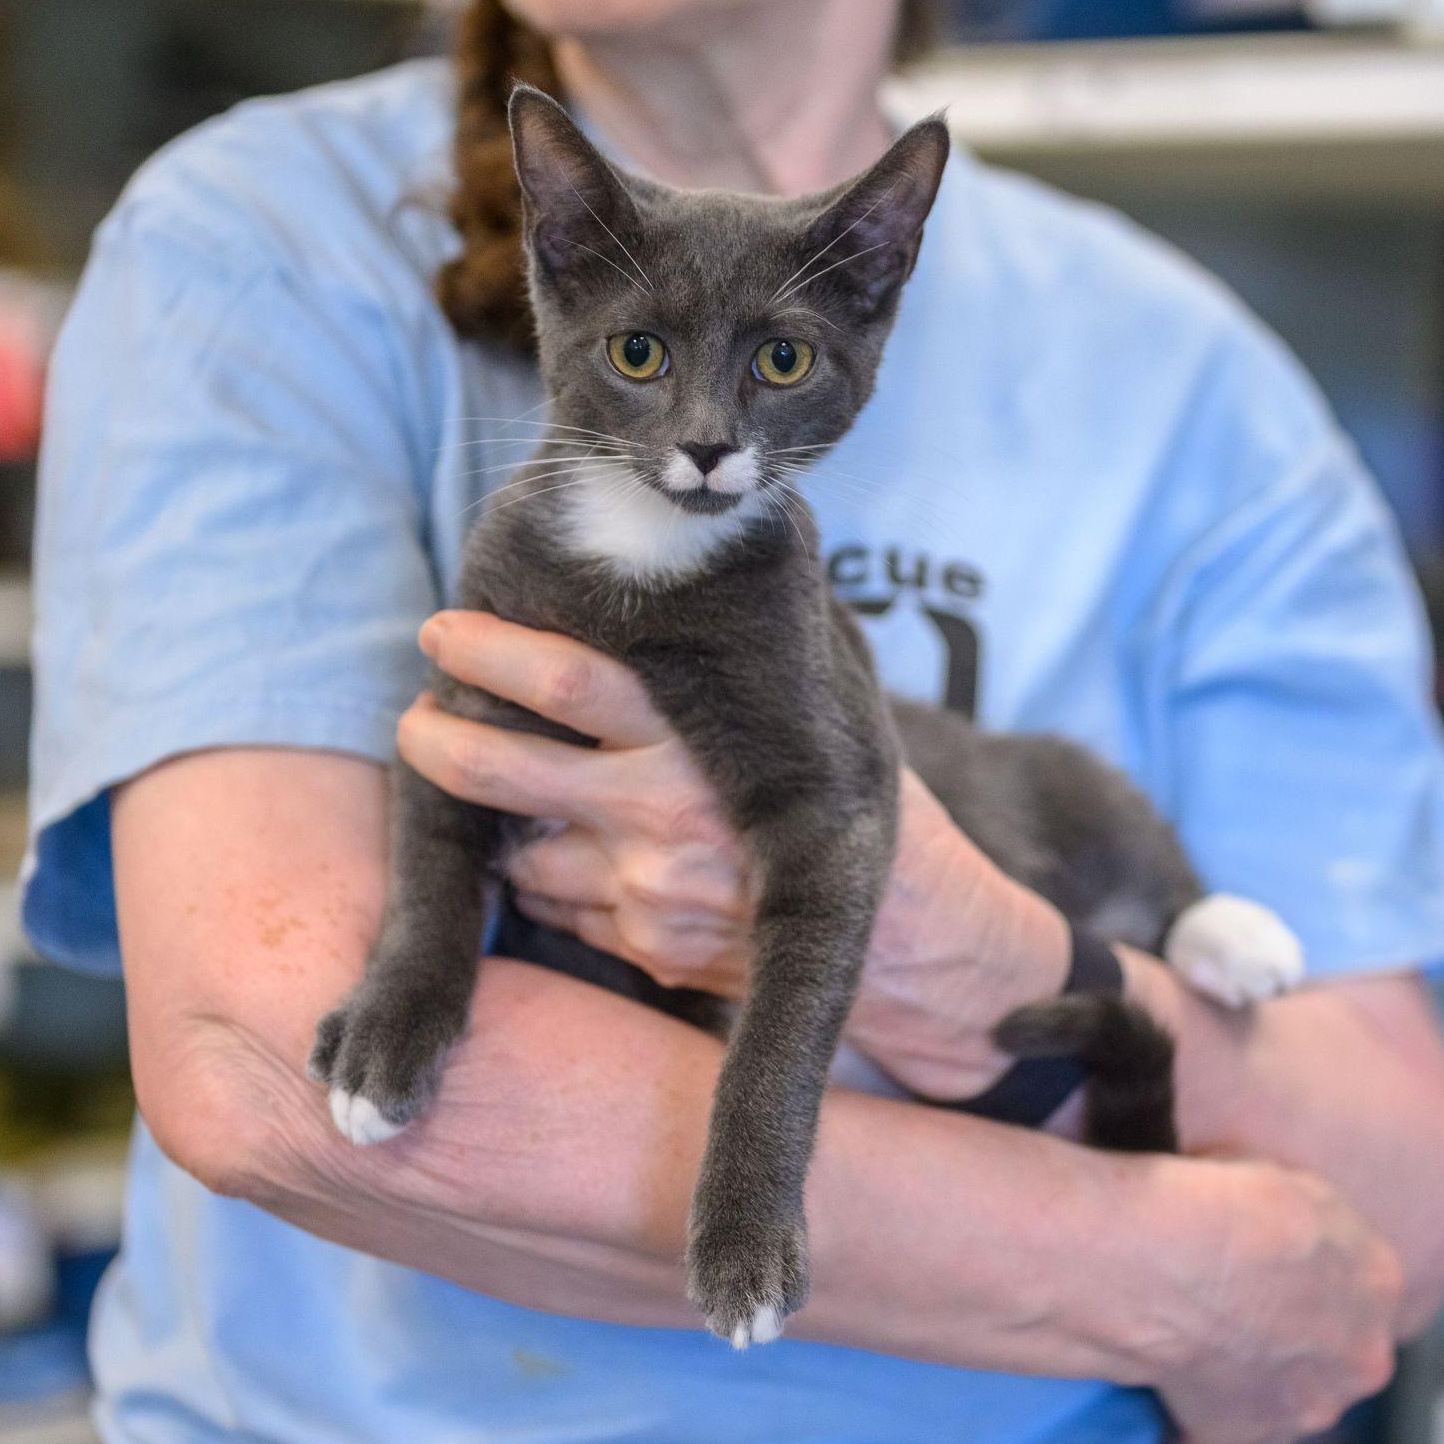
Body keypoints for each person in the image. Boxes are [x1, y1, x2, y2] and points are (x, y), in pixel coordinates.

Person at [23, 0, 1444, 1440]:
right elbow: (266, 1070)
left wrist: (977, 970)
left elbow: (1395, 1199)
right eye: (643, 357)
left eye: (769, 363)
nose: (705, 422)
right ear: (567, 276)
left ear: (876, 287)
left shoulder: (1198, 385)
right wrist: (1177, 1271)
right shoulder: (258, 239)